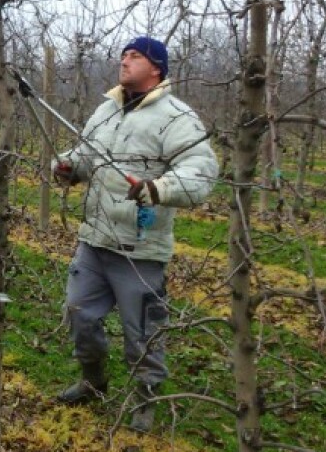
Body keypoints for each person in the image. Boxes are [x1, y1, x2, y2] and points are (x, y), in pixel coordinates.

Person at [52, 36, 219, 432]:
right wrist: (66, 167)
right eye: (123, 55)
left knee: (142, 331)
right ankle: (93, 381)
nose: (124, 62)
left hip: (140, 249)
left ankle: (146, 398)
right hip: (94, 240)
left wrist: (158, 188)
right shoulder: (106, 110)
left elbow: (201, 171)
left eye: (135, 56)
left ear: (156, 68)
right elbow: (85, 156)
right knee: (79, 314)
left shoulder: (177, 117)